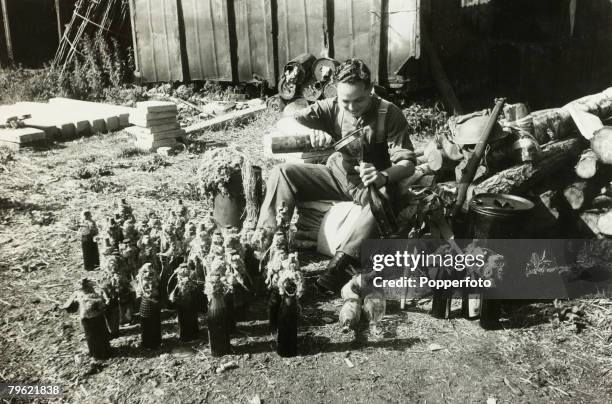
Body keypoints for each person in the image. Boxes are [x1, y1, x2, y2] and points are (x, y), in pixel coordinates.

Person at [255, 58, 417, 294]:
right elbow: (286, 121)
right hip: (338, 175)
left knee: (382, 197)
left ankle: (341, 264)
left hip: (370, 185)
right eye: (345, 101)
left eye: (359, 100)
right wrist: (309, 132)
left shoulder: (388, 113)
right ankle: (266, 247)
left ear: (370, 90)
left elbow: (407, 163)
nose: (351, 107)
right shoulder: (331, 107)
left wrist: (383, 175)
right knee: (283, 173)